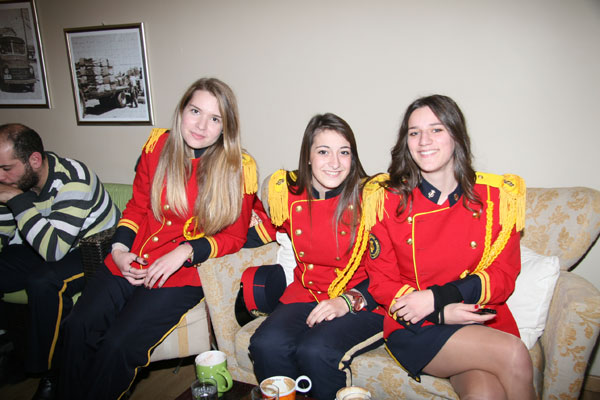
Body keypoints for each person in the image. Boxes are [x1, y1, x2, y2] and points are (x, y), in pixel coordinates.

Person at [59, 77, 258, 400]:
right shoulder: (157, 147)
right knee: (77, 325)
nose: (201, 125)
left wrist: (185, 251)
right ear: (181, 111)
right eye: (195, 111)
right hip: (132, 257)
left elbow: (234, 237)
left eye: (215, 118)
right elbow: (137, 206)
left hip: (182, 274)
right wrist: (119, 250)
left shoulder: (239, 168)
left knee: (119, 345)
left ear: (226, 127)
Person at [365, 95, 535, 399]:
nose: (424, 141)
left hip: (476, 316)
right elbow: (382, 283)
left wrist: (440, 298)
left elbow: (503, 276)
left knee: (485, 394)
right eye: (414, 132)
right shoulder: (385, 201)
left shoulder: (497, 198)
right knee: (513, 353)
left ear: (456, 135)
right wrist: (440, 313)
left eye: (436, 129)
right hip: (418, 325)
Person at [248, 113, 384, 400]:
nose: (335, 162)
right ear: (307, 157)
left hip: (362, 300)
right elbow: (264, 229)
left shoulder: (371, 199)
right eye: (323, 151)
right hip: (307, 293)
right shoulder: (288, 195)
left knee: (315, 350)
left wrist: (347, 301)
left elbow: (390, 272)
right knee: (266, 345)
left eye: (344, 152)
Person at [0, 123, 120, 399]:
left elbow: (54, 250)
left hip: (92, 247)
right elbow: (5, 232)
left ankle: (55, 372)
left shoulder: (73, 178)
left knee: (44, 282)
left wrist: (16, 200)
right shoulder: (17, 182)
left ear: (34, 160)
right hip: (41, 242)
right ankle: (17, 348)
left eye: (7, 168)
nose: (2, 177)